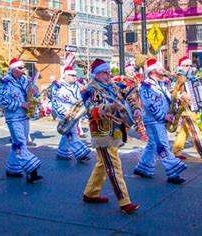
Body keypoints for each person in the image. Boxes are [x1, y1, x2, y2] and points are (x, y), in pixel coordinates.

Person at [81, 58, 141, 214]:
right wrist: (111, 106)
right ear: (96, 74)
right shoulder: (89, 89)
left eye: (109, 72)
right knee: (114, 166)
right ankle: (124, 202)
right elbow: (91, 109)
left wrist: (135, 108)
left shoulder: (113, 86)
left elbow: (129, 96)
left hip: (115, 129)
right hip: (102, 133)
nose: (109, 75)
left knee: (103, 164)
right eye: (105, 72)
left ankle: (90, 193)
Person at [133, 58, 188, 184]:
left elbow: (168, 98)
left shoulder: (161, 84)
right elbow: (149, 104)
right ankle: (172, 172)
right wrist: (164, 116)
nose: (163, 70)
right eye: (160, 68)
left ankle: (143, 168)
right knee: (162, 146)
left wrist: (177, 101)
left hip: (159, 120)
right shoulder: (146, 86)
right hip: (153, 120)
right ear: (152, 71)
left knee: (152, 144)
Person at [0, 58, 43, 183]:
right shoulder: (5, 82)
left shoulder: (25, 80)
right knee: (20, 143)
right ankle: (32, 170)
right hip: (13, 117)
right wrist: (20, 104)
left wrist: (34, 92)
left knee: (17, 143)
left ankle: (12, 169)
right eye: (20, 68)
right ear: (13, 69)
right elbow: (2, 101)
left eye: (24, 68)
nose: (24, 70)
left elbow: (31, 94)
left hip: (24, 116)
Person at [171, 56, 202, 163]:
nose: (189, 67)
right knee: (195, 131)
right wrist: (181, 95)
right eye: (186, 65)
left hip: (192, 107)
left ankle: (175, 152)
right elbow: (171, 92)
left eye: (190, 65)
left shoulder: (192, 78)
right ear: (181, 66)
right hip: (184, 108)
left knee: (185, 131)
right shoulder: (178, 78)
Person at [52, 66, 91, 162]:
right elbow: (55, 101)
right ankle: (81, 154)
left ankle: (62, 153)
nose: (74, 77)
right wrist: (63, 112)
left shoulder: (78, 85)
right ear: (66, 75)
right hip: (65, 113)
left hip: (75, 113)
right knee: (72, 133)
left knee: (67, 133)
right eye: (72, 75)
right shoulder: (58, 85)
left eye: (75, 75)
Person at [114, 63, 148, 142]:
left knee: (139, 115)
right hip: (128, 100)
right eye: (129, 70)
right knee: (128, 116)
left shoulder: (136, 78)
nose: (131, 71)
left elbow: (144, 77)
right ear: (126, 71)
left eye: (132, 70)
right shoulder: (124, 79)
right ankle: (135, 133)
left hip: (137, 99)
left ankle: (142, 133)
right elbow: (120, 88)